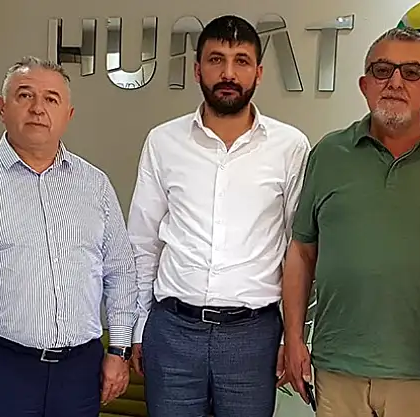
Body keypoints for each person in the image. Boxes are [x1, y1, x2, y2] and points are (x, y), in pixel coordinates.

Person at [0, 56, 137, 417]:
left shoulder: (95, 185)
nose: (37, 108)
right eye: (25, 95)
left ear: (68, 114)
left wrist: (119, 349)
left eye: (51, 99)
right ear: (2, 108)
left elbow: (121, 272)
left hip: (80, 372)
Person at [282, 27, 420, 417]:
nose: (395, 82)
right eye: (382, 70)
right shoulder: (329, 153)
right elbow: (302, 252)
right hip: (337, 368)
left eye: (411, 72)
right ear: (364, 85)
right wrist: (292, 338)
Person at [126, 14, 310, 417]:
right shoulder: (163, 141)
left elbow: (298, 250)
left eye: (241, 61)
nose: (228, 73)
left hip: (254, 335)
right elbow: (142, 243)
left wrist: (292, 335)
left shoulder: (290, 146)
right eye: (216, 60)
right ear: (197, 70)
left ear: (259, 73)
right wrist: (138, 327)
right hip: (173, 331)